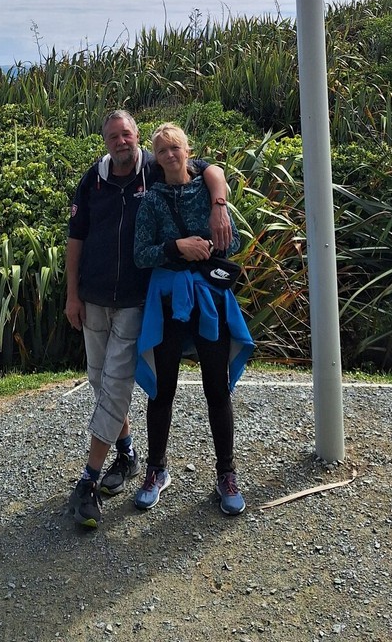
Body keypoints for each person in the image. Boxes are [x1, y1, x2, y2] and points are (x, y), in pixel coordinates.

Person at [65, 109, 231, 529]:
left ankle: (89, 477)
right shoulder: (95, 179)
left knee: (121, 380)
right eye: (113, 136)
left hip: (148, 300)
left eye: (127, 134)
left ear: (138, 139)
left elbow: (210, 169)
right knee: (104, 381)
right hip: (98, 295)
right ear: (104, 141)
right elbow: (78, 238)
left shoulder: (154, 170)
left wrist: (219, 205)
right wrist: (72, 295)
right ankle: (132, 454)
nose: (121, 141)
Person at [132, 122, 254, 517]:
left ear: (188, 152)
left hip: (207, 299)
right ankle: (156, 470)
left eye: (176, 148)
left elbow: (233, 243)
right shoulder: (150, 201)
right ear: (157, 157)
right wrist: (177, 247)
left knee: (216, 389)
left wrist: (214, 238)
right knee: (161, 390)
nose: (170, 155)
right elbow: (141, 254)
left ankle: (226, 473)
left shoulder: (209, 191)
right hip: (168, 300)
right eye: (162, 150)